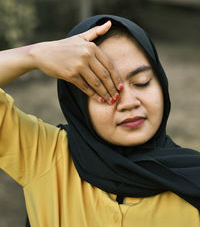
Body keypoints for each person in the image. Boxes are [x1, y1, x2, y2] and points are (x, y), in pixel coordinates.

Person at [0, 14, 200, 227]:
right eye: (103, 89)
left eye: (142, 82)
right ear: (78, 104)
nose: (129, 103)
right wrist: (34, 55)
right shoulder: (45, 157)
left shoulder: (193, 180)